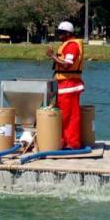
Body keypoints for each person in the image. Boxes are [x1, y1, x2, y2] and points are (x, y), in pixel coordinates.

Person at [45, 21, 84, 149]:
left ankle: (72, 143)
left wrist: (52, 56)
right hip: (64, 84)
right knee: (64, 114)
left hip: (70, 84)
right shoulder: (67, 45)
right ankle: (62, 141)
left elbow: (67, 65)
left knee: (69, 115)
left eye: (61, 33)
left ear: (68, 33)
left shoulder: (72, 46)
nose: (58, 35)